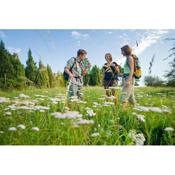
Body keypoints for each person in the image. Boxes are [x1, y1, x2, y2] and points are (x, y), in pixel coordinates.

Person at [120, 45, 136, 110]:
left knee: (123, 96)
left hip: (129, 79)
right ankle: (135, 110)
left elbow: (132, 70)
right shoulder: (127, 58)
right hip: (127, 77)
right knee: (131, 97)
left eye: (122, 51)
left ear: (125, 51)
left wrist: (128, 81)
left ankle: (122, 112)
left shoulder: (130, 58)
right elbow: (128, 70)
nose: (121, 53)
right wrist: (121, 74)